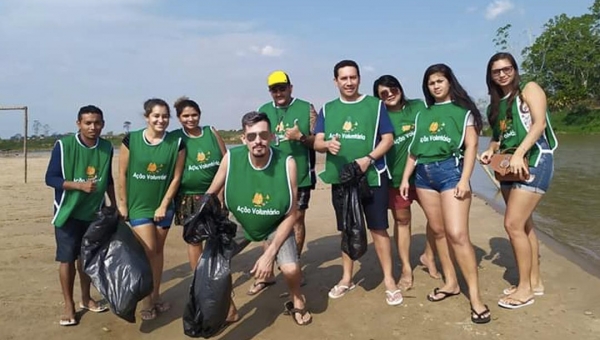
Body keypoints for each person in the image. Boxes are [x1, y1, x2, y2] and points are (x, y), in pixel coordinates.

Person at [400, 63, 491, 324]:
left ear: (449, 82)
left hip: (451, 172)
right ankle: (451, 282)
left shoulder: (464, 113)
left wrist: (465, 180)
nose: (436, 86)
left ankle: (475, 297)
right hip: (424, 176)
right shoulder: (423, 114)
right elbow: (414, 151)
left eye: (440, 80)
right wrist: (406, 177)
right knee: (437, 230)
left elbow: (472, 146)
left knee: (458, 234)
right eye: (431, 83)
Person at [205, 111, 312, 325]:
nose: (258, 141)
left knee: (291, 269)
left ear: (272, 136)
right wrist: (202, 218)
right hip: (240, 222)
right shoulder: (231, 159)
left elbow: (292, 214)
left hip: (276, 223)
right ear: (243, 139)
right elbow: (210, 193)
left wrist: (269, 254)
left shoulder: (287, 163)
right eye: (252, 136)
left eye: (263, 135)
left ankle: (296, 297)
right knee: (212, 261)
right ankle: (229, 308)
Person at [314, 60, 402, 306]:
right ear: (336, 81)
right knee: (347, 228)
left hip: (372, 176)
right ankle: (346, 278)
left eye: (353, 77)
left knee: (378, 228)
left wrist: (368, 158)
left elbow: (388, 139)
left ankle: (389, 281)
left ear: (359, 79)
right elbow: (318, 140)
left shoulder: (375, 106)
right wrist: (327, 145)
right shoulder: (328, 109)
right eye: (344, 78)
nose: (349, 82)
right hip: (341, 178)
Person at [480, 52, 558, 309]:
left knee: (512, 225)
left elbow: (538, 125)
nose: (502, 74)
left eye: (507, 68)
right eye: (496, 71)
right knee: (525, 225)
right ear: (490, 75)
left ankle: (524, 290)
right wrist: (490, 150)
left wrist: (521, 153)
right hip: (507, 166)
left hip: (533, 160)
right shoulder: (497, 103)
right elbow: (497, 137)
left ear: (515, 69)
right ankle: (534, 282)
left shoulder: (530, 88)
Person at [117, 98, 185, 321]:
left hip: (163, 206)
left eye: (165, 116)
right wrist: (123, 203)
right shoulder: (131, 140)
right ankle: (146, 300)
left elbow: (176, 177)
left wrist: (164, 204)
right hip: (139, 206)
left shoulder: (176, 143)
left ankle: (155, 296)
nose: (161, 120)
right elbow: (122, 174)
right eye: (156, 116)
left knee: (157, 252)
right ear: (147, 117)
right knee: (148, 249)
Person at [45, 105, 113, 326]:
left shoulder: (107, 147)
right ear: (79, 124)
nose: (93, 127)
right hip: (68, 212)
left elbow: (108, 179)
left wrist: (116, 204)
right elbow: (50, 178)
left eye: (97, 123)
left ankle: (86, 298)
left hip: (94, 212)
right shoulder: (64, 146)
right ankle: (68, 305)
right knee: (67, 259)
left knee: (87, 258)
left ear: (102, 123)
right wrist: (77, 186)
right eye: (88, 123)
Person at [372, 75, 440, 291]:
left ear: (400, 88)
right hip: (394, 179)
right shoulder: (378, 117)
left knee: (437, 221)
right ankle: (406, 269)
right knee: (402, 221)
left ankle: (429, 256)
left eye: (393, 88)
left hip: (424, 176)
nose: (389, 94)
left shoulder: (418, 106)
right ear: (379, 97)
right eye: (383, 92)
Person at [253, 70, 317, 294]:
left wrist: (300, 137)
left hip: (300, 176)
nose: (278, 92)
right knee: (266, 221)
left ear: (291, 87)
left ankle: (295, 266)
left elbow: (319, 142)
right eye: (274, 89)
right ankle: (267, 272)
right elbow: (255, 141)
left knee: (297, 220)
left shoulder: (306, 107)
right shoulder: (263, 111)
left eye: (282, 87)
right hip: (269, 175)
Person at [171, 97, 227, 271]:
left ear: (200, 115)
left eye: (194, 115)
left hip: (214, 194)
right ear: (179, 118)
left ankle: (214, 271)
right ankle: (198, 275)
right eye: (185, 116)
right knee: (194, 239)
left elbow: (227, 160)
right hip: (188, 196)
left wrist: (222, 192)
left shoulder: (211, 132)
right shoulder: (175, 137)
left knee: (215, 236)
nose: (190, 119)